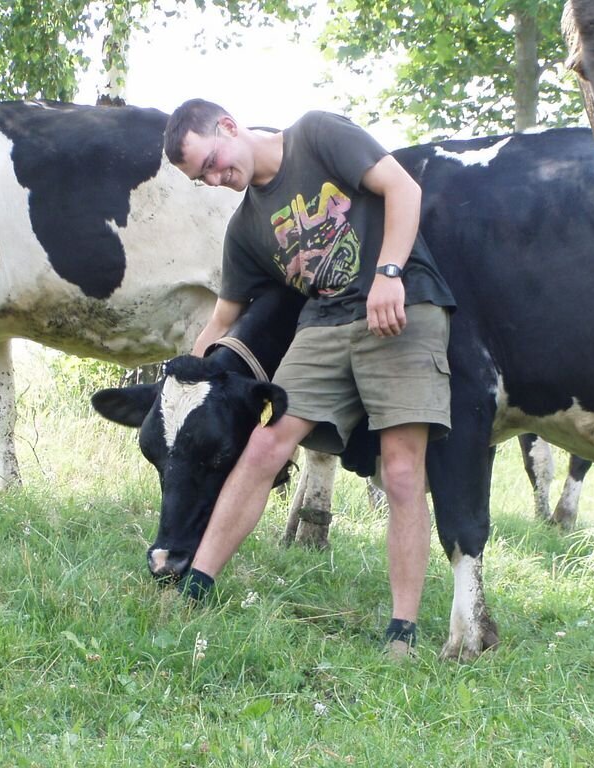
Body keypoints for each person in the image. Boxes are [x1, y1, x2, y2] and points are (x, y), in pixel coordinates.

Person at [163, 99, 456, 654]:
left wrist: (389, 273)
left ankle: (402, 631)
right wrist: (186, 385)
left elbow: (403, 188)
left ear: (228, 126)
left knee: (400, 470)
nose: (216, 180)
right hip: (323, 324)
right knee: (263, 446)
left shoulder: (316, 135)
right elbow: (223, 319)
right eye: (203, 178)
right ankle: (195, 589)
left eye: (213, 163)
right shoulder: (246, 228)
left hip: (402, 305)